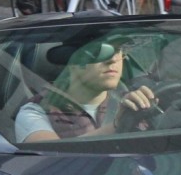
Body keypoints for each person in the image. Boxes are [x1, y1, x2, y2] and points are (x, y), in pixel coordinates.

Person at [14, 41, 156, 142]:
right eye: (100, 52)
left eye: (118, 50)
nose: (113, 59)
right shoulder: (34, 112)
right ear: (74, 62)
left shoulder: (133, 103)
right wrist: (116, 126)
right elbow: (49, 157)